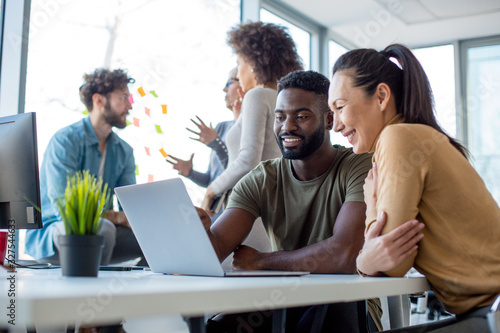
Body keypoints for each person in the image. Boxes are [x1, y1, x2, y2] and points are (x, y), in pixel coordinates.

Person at [328, 44, 500, 331]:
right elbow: (386, 254)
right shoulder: (415, 136)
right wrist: (368, 259)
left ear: (381, 96)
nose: (335, 125)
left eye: (340, 107)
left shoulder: (398, 137)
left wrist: (371, 207)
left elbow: (392, 264)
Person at [198, 70, 382, 332]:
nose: (287, 127)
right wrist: (200, 231)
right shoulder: (262, 178)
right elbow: (215, 248)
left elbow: (344, 257)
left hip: (348, 306)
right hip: (283, 304)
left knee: (325, 310)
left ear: (329, 120)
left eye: (302, 116)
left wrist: (262, 261)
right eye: (280, 117)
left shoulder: (359, 166)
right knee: (221, 327)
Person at [26, 68, 146, 266]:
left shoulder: (124, 151)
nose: (129, 106)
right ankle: (93, 289)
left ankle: (134, 292)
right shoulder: (65, 141)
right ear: (99, 100)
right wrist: (117, 217)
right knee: (104, 228)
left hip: (103, 233)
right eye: (124, 97)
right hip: (56, 231)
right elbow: (67, 208)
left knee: (158, 236)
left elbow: (130, 211)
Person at [201, 21, 303, 215]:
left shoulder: (257, 96)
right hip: (271, 204)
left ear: (253, 63)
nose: (238, 72)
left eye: (239, 64)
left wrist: (210, 191)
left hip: (247, 206)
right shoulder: (283, 100)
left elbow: (248, 160)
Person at [167, 68, 242, 221]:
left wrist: (216, 144)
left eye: (230, 82)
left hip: (230, 207)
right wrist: (191, 173)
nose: (224, 89)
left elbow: (238, 170)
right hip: (213, 207)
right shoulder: (221, 127)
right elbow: (211, 180)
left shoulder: (247, 129)